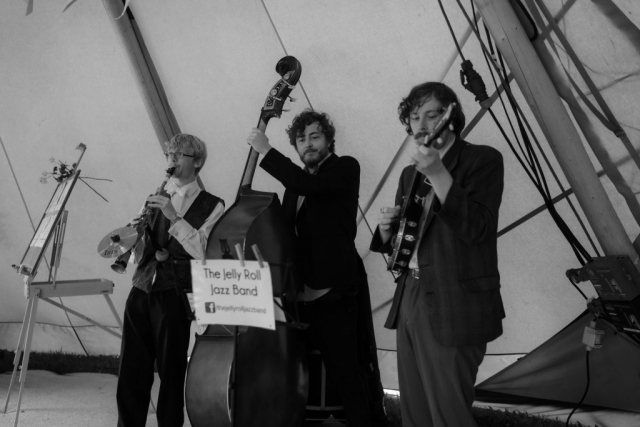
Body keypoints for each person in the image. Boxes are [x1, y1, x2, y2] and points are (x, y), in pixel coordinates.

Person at [370, 82, 505, 427]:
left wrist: (439, 175)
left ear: (451, 117)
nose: (422, 125)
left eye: (432, 115)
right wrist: (386, 232)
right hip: (411, 294)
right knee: (415, 411)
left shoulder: (482, 159)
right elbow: (405, 242)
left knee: (449, 413)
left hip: (455, 299)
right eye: (415, 117)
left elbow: (478, 228)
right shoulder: (408, 173)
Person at [247, 110, 387, 427]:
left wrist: (266, 151)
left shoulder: (344, 168)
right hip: (298, 297)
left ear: (328, 140)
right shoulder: (294, 187)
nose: (308, 144)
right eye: (301, 139)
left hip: (333, 293)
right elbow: (283, 236)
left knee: (348, 374)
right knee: (294, 376)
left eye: (314, 136)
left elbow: (310, 184)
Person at [116, 133, 224, 427]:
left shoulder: (213, 205)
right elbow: (142, 249)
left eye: (179, 155)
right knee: (131, 369)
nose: (172, 160)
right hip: (142, 288)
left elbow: (203, 251)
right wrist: (132, 240)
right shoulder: (154, 196)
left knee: (171, 371)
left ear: (197, 161)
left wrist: (173, 216)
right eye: (170, 155)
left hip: (175, 292)